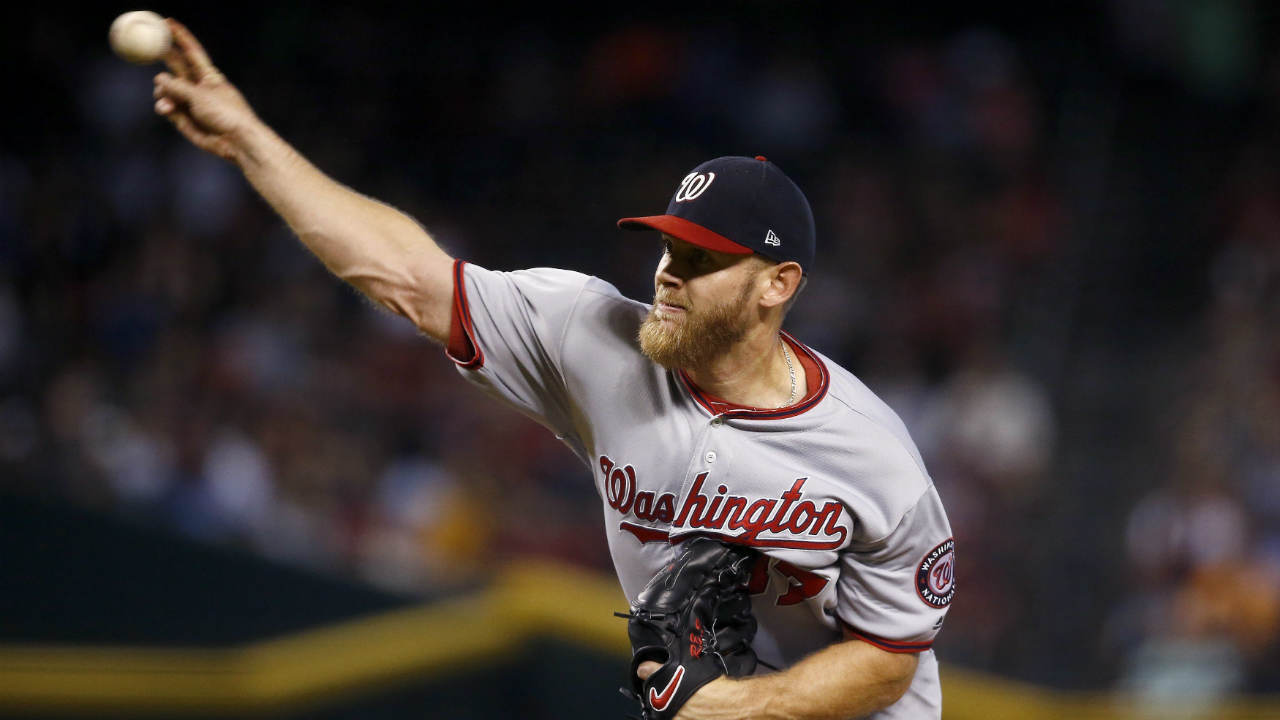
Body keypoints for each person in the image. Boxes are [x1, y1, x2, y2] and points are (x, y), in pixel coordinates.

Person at [151, 18, 955, 719]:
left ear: (776, 285)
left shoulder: (873, 460)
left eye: (702, 258)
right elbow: (407, 276)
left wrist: (742, 706)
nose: (668, 272)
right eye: (668, 246)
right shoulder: (592, 334)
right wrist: (249, 140)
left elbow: (890, 661)